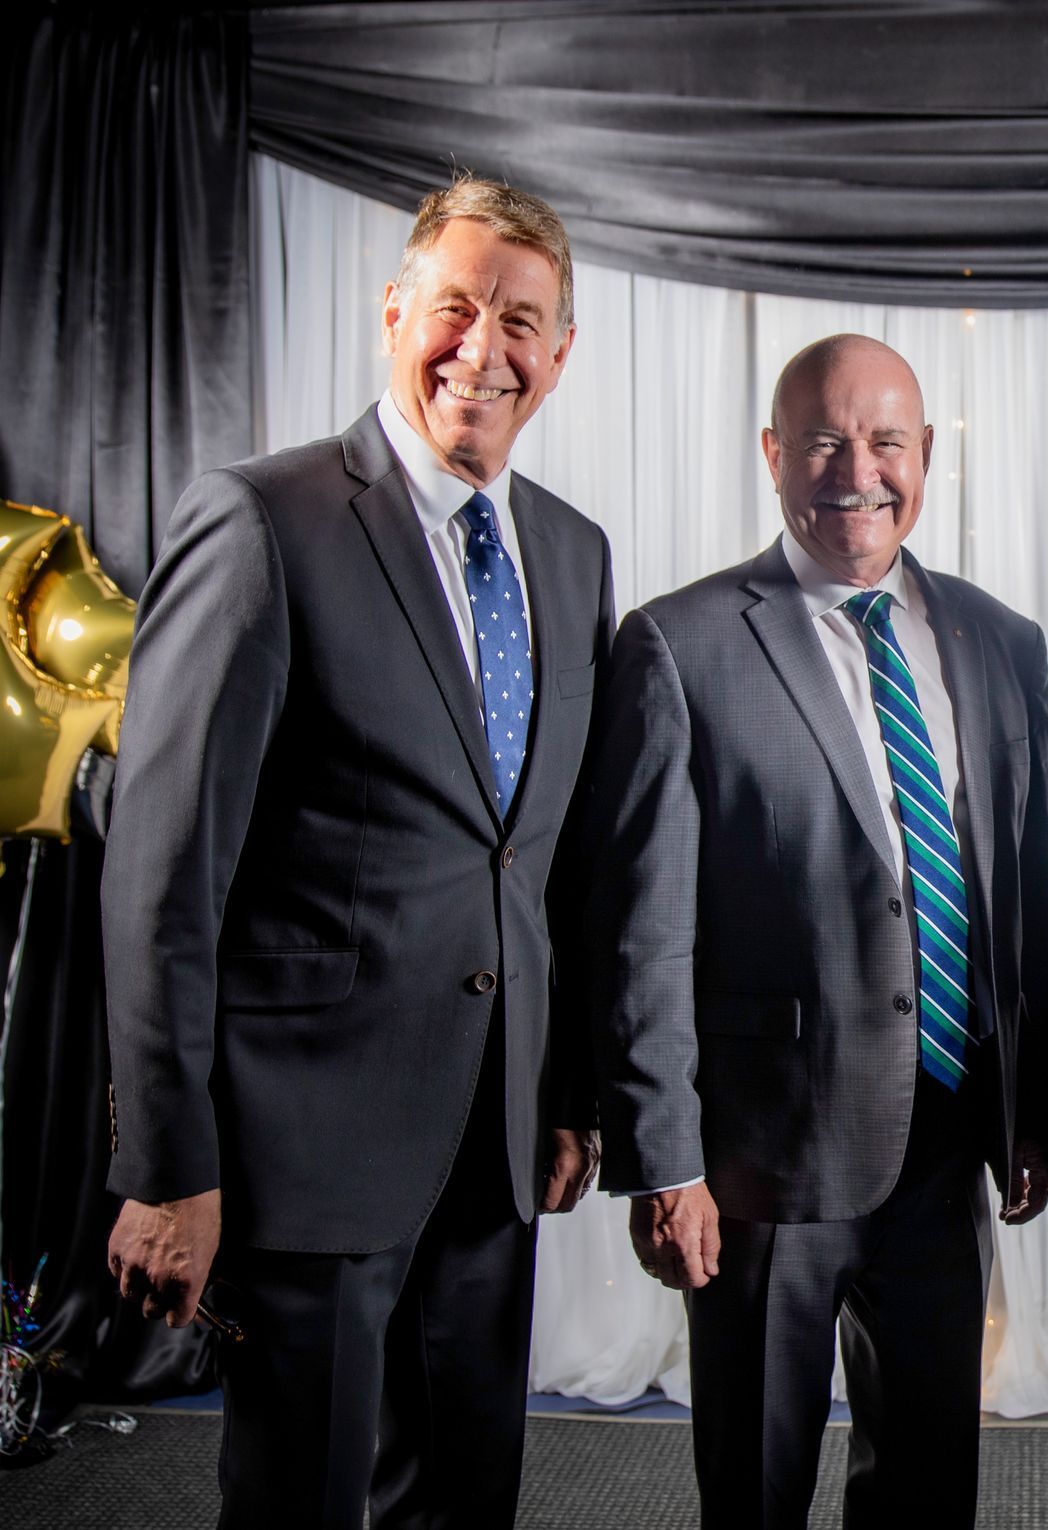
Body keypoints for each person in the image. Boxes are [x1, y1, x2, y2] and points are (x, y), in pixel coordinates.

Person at [101, 176, 613, 1529]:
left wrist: (567, 1089)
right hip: (308, 1137)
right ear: (394, 313)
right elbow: (163, 871)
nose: (482, 349)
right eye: (455, 307)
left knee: (467, 1498)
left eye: (522, 321)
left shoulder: (573, 553)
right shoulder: (262, 521)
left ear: (558, 356)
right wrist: (168, 1160)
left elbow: (539, 860)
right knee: (306, 1502)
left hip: (494, 1140)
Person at [567, 334, 1048, 1528]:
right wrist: (667, 1158)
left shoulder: (1004, 642)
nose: (858, 470)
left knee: (931, 1488)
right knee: (755, 1487)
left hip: (948, 1145)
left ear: (927, 454)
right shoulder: (679, 643)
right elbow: (640, 930)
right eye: (826, 440)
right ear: (773, 453)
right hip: (759, 1163)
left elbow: (1024, 896)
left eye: (887, 440)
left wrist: (1033, 1107)